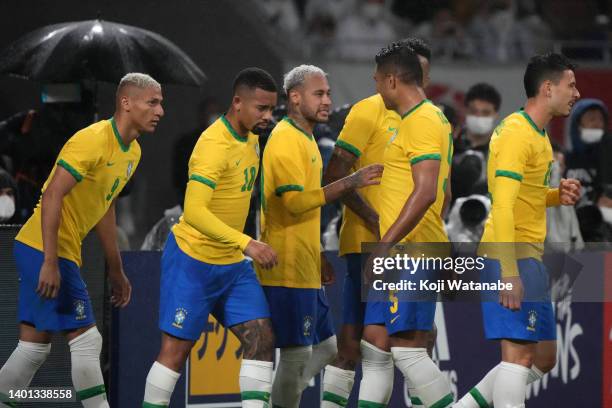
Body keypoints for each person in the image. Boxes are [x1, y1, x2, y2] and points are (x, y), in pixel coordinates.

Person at [0, 73, 163, 408]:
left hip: (48, 251)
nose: (160, 110)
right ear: (126, 103)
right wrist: (49, 259)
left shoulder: (133, 153)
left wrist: (115, 268)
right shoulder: (91, 140)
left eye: (160, 102)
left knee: (33, 350)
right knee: (88, 341)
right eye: (153, 102)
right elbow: (52, 196)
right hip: (46, 249)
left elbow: (105, 207)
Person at [142, 68, 279, 408]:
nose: (268, 116)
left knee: (261, 340)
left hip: (231, 265)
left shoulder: (252, 139)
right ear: (237, 102)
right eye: (261, 108)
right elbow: (196, 211)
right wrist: (247, 243)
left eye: (271, 109)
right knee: (175, 354)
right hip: (193, 260)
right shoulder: (213, 145)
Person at [454, 53, 582, 408]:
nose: (576, 92)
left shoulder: (538, 136)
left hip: (529, 255)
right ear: (547, 88)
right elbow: (504, 205)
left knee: (543, 359)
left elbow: (522, 196)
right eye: (570, 85)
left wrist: (556, 196)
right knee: (519, 358)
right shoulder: (515, 134)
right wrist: (508, 273)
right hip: (508, 256)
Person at [256, 64, 383, 408]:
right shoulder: (284, 139)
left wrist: (317, 254)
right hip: (285, 267)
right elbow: (295, 204)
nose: (328, 100)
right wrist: (350, 182)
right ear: (295, 98)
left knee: (328, 348)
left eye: (328, 93)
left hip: (305, 263)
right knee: (297, 355)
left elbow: (306, 208)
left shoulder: (306, 137)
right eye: (319, 94)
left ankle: (277, 400)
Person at [321, 37, 433, 408]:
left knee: (405, 341)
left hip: (411, 246)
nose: (418, 81)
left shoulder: (428, 119)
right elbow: (334, 173)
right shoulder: (369, 111)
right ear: (393, 77)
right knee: (360, 344)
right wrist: (375, 221)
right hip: (367, 243)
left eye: (423, 74)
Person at [368, 42, 454, 408]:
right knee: (385, 343)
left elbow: (426, 192)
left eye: (376, 81)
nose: (376, 89)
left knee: (407, 352)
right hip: (413, 249)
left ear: (391, 80)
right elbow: (445, 193)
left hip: (411, 252)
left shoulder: (421, 120)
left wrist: (385, 244)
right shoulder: (428, 118)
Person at [452, 83, 502, 202]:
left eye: (485, 113)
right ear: (465, 111)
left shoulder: (503, 150)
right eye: (474, 111)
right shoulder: (450, 143)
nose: (479, 117)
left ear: (495, 115)